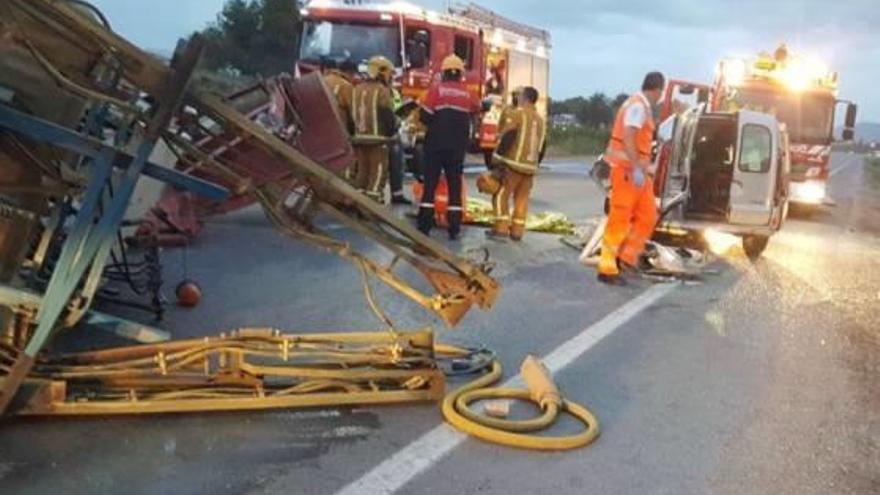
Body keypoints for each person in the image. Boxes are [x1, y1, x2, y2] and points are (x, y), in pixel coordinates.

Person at [597, 71, 665, 285]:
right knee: (620, 219)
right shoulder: (637, 106)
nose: (661, 97)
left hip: (637, 174)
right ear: (656, 89)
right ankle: (607, 268)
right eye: (661, 92)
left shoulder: (640, 106)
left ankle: (626, 258)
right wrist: (636, 167)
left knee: (648, 215)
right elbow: (628, 135)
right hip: (627, 172)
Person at [417, 54, 481, 240]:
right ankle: (454, 226)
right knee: (454, 185)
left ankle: (425, 225)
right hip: (457, 148)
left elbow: (425, 117)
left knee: (430, 185)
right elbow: (477, 110)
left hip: (435, 145)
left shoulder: (437, 91)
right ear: (461, 74)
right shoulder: (469, 94)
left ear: (444, 73)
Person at [486, 86, 546, 241]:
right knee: (522, 199)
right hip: (530, 168)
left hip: (513, 164)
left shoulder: (517, 114)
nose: (517, 98)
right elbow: (542, 146)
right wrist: (534, 164)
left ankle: (501, 229)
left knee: (501, 195)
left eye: (519, 96)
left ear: (524, 98)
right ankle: (517, 232)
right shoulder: (540, 121)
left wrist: (497, 157)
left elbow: (508, 136)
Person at [351, 56, 398, 202]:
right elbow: (387, 114)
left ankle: (358, 203)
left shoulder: (356, 89)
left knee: (362, 173)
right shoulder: (382, 90)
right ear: (381, 72)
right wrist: (394, 130)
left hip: (359, 139)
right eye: (389, 73)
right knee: (377, 173)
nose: (390, 77)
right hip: (378, 140)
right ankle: (372, 204)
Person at [321, 57, 356, 181]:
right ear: (350, 73)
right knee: (345, 162)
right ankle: (344, 190)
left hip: (320, 129)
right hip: (339, 131)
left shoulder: (323, 80)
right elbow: (353, 113)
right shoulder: (346, 86)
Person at [388, 86, 412, 205]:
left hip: (394, 130)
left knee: (398, 164)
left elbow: (397, 109)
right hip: (386, 132)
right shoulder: (381, 91)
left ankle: (397, 194)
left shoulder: (394, 92)